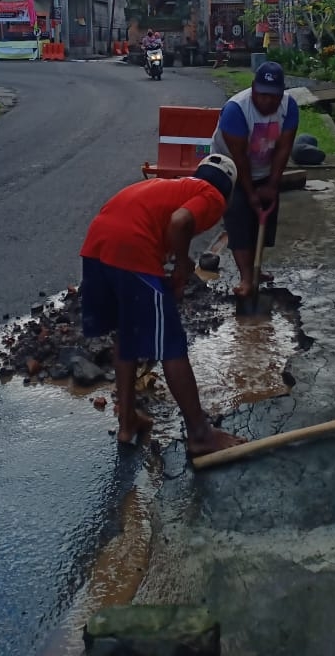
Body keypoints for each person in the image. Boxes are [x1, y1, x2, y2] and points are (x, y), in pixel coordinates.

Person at [80, 155, 247, 458]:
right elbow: (180, 221)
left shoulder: (172, 186)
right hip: (129, 250)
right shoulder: (212, 196)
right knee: (171, 345)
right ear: (229, 191)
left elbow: (163, 225)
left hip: (96, 248)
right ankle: (200, 434)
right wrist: (183, 265)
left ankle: (128, 422)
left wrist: (170, 267)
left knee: (127, 335)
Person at [210, 61, 299, 297]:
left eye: (274, 96)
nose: (268, 101)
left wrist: (272, 184)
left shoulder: (289, 107)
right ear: (253, 88)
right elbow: (239, 159)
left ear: (282, 93)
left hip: (263, 166)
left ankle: (256, 269)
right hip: (230, 169)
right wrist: (250, 194)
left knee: (262, 222)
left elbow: (283, 148)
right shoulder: (236, 110)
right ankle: (246, 278)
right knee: (238, 216)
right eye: (262, 95)